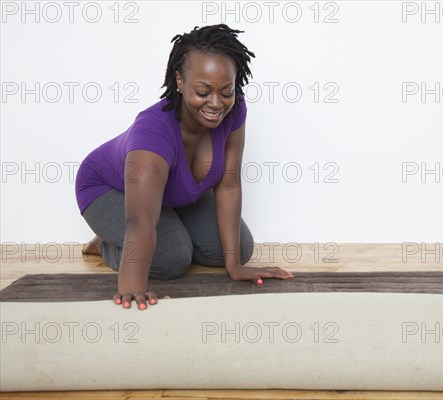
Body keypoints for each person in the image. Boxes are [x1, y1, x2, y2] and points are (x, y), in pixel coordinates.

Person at [75, 24, 294, 311]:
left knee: (240, 247)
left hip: (167, 192)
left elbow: (228, 184)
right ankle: (106, 244)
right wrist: (131, 285)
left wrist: (234, 266)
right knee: (171, 258)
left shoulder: (235, 109)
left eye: (226, 91)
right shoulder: (153, 131)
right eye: (203, 91)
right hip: (108, 188)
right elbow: (140, 220)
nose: (217, 103)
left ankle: (167, 227)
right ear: (179, 81)